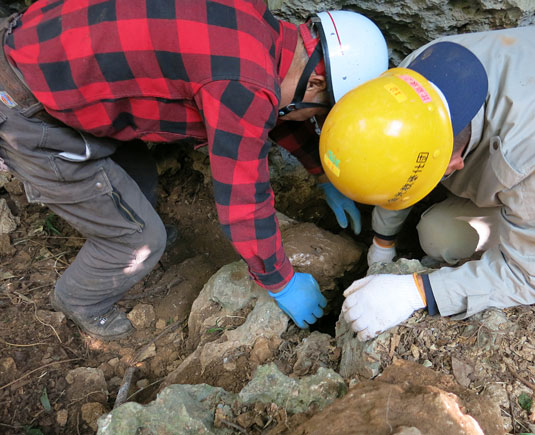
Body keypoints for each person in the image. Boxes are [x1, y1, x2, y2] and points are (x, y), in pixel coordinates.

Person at [0, 0, 389, 340]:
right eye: (321, 113)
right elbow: (243, 201)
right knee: (139, 241)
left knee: (141, 178)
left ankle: (125, 221)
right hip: (26, 110)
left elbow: (277, 107)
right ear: (317, 81)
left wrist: (320, 171)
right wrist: (280, 280)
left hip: (43, 49)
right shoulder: (241, 86)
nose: (315, 121)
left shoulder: (255, 20)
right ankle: (81, 299)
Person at [318, 26, 535, 341]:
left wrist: (419, 291)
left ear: (455, 164)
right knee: (438, 232)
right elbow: (400, 164)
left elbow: (533, 272)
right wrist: (382, 242)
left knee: (442, 238)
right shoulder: (416, 76)